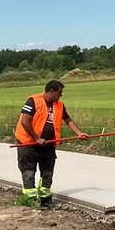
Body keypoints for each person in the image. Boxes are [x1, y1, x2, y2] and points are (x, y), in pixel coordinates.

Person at [14, 80, 86, 208]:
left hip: (48, 145)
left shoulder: (59, 105)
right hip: (29, 145)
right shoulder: (33, 101)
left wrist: (79, 133)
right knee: (29, 172)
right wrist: (36, 138)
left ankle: (45, 200)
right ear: (51, 91)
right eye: (59, 92)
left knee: (47, 173)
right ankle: (30, 201)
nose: (61, 95)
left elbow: (68, 120)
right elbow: (25, 121)